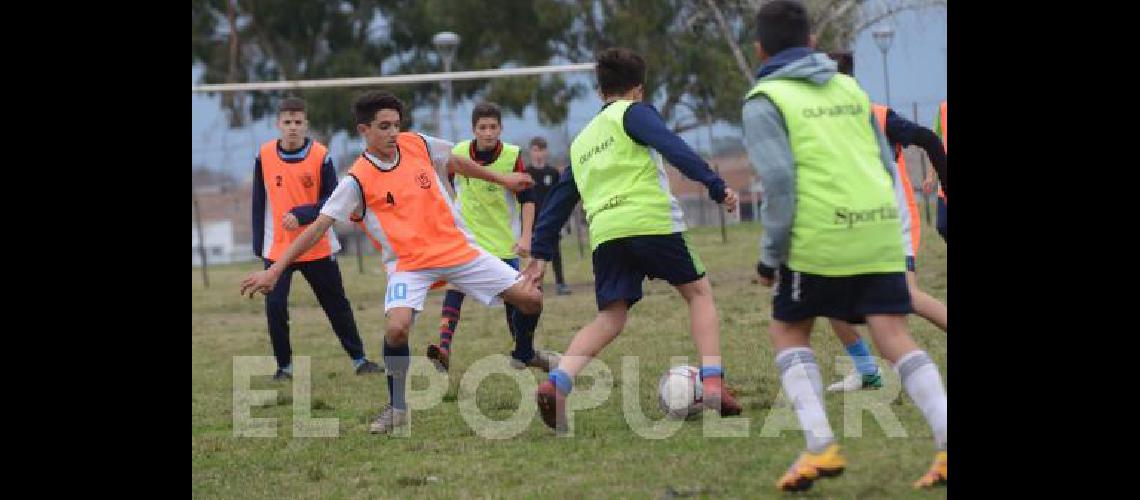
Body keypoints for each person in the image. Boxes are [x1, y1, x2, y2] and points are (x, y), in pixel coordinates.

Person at [241, 92, 542, 435]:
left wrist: (503, 179)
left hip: (457, 250)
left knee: (532, 299)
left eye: (396, 125)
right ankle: (397, 408)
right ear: (364, 131)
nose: (392, 133)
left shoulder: (417, 144)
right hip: (408, 265)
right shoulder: (356, 179)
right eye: (384, 127)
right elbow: (319, 227)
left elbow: (455, 161)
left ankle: (525, 351)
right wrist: (275, 269)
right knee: (396, 329)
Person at [742, 1, 947, 490]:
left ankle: (819, 447)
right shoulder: (850, 88)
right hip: (877, 227)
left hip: (819, 235)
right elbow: (881, 161)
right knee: (893, 334)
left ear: (759, 48)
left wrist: (770, 257)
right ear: (812, 43)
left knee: (789, 331)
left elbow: (779, 183)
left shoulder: (765, 99)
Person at [524, 47, 743, 434]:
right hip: (651, 221)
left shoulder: (582, 141)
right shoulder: (634, 113)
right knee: (698, 293)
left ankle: (557, 383)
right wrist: (714, 184)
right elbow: (672, 146)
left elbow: (558, 201)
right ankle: (712, 383)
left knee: (610, 317)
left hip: (606, 233)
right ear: (638, 89)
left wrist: (540, 253)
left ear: (599, 91)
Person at [250, 96, 380, 381]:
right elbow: (258, 201)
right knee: (275, 308)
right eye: (287, 122)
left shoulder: (321, 155)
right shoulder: (264, 155)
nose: (293, 128)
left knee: (336, 305)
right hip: (278, 248)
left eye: (298, 122)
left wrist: (303, 213)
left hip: (317, 245)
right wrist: (258, 244)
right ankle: (284, 368)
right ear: (278, 125)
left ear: (306, 124)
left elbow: (334, 200)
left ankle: (360, 359)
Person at [426, 103, 559, 373]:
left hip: (502, 242)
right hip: (467, 240)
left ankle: (522, 350)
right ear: (473, 130)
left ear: (501, 129)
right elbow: (448, 181)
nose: (488, 133)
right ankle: (443, 348)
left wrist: (525, 237)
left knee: (517, 300)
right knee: (455, 290)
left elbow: (528, 200)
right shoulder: (459, 152)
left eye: (493, 127)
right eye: (482, 128)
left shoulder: (512, 156)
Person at [524, 136, 572, 296]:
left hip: (550, 220)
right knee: (533, 255)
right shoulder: (526, 173)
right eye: (536, 150)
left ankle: (560, 283)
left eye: (542, 150)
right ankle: (535, 285)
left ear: (546, 152)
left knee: (555, 252)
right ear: (531, 152)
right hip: (531, 221)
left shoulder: (553, 173)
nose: (539, 154)